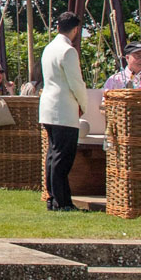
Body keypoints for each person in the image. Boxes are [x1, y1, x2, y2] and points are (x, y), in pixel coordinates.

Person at [38, 13, 93, 211]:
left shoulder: (49, 48)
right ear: (76, 29)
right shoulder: (68, 51)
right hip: (64, 109)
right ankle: (62, 201)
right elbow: (76, 82)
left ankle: (53, 198)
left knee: (53, 155)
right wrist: (83, 104)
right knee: (63, 157)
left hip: (48, 108)